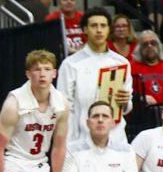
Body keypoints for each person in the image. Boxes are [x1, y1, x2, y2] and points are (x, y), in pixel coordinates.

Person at [57, 9, 132, 146]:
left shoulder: (121, 63)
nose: (99, 30)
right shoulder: (71, 64)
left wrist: (125, 101)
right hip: (81, 140)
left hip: (115, 139)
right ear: (85, 29)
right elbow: (64, 107)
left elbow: (127, 106)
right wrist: (68, 143)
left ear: (109, 29)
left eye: (103, 26)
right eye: (94, 26)